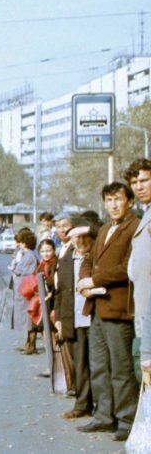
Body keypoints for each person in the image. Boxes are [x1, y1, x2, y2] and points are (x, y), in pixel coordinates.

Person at [77, 182, 140, 442]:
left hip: (119, 309)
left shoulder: (135, 228)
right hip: (98, 309)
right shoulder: (104, 229)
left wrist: (95, 280)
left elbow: (129, 266)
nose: (113, 205)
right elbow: (89, 259)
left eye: (118, 199)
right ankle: (104, 415)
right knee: (100, 366)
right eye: (108, 200)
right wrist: (83, 281)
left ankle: (126, 420)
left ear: (129, 202)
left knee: (121, 369)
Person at [57, 223, 98, 419]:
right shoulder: (66, 259)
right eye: (76, 237)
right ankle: (83, 403)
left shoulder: (96, 256)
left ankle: (99, 405)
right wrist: (58, 320)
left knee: (97, 364)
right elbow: (60, 292)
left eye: (84, 237)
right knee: (80, 364)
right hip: (73, 318)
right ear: (71, 239)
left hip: (94, 316)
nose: (80, 241)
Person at [124, 159, 151, 382]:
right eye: (135, 182)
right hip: (143, 313)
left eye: (144, 180)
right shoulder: (146, 215)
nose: (139, 186)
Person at [11, 228, 38, 350]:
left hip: (26, 291)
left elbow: (23, 271)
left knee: (29, 318)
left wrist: (15, 270)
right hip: (23, 291)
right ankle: (28, 343)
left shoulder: (29, 256)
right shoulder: (26, 254)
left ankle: (31, 345)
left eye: (21, 242)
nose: (19, 244)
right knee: (26, 318)